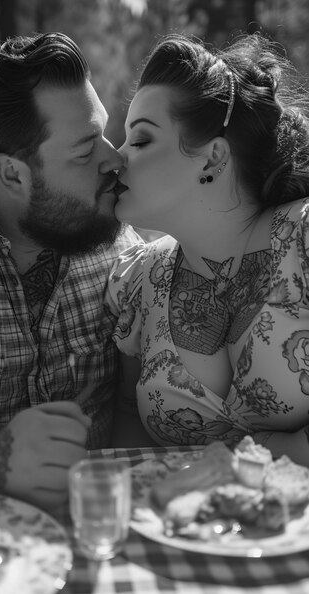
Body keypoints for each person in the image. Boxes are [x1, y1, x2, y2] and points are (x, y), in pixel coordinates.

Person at [0, 32, 140, 509]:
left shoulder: (106, 231)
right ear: (13, 175)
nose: (114, 158)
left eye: (103, 132)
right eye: (84, 151)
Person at [106, 32, 309, 465]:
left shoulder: (304, 238)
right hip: (185, 527)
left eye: (140, 140)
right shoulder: (141, 279)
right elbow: (127, 421)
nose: (117, 157)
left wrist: (285, 453)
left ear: (214, 158)